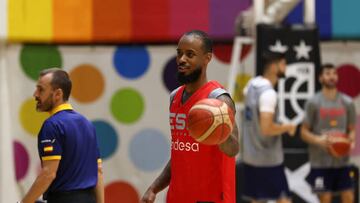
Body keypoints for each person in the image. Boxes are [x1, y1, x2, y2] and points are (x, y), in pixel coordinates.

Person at [141, 30, 240, 203]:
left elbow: (234, 149)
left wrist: (218, 129)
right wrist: (154, 188)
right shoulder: (174, 97)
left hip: (211, 197)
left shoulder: (219, 99)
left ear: (207, 58)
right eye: (179, 53)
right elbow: (180, 154)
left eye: (190, 54)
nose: (182, 59)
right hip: (178, 197)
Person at [20, 68, 104, 203]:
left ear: (58, 94)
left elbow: (48, 174)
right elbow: (98, 171)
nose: (35, 94)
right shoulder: (87, 124)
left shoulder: (52, 125)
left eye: (41, 90)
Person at [241, 51, 296, 203]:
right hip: (267, 159)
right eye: (283, 64)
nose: (285, 68)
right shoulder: (268, 94)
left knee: (257, 199)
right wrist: (288, 127)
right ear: (274, 67)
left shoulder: (251, 85)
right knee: (284, 199)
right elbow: (266, 128)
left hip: (250, 156)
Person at [301, 63, 356, 203]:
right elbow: (303, 132)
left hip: (342, 161)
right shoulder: (313, 102)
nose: (331, 76)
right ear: (320, 78)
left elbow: (352, 130)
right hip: (320, 162)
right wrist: (319, 140)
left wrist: (350, 140)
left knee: (349, 196)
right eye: (327, 73)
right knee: (325, 198)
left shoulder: (348, 102)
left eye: (334, 74)